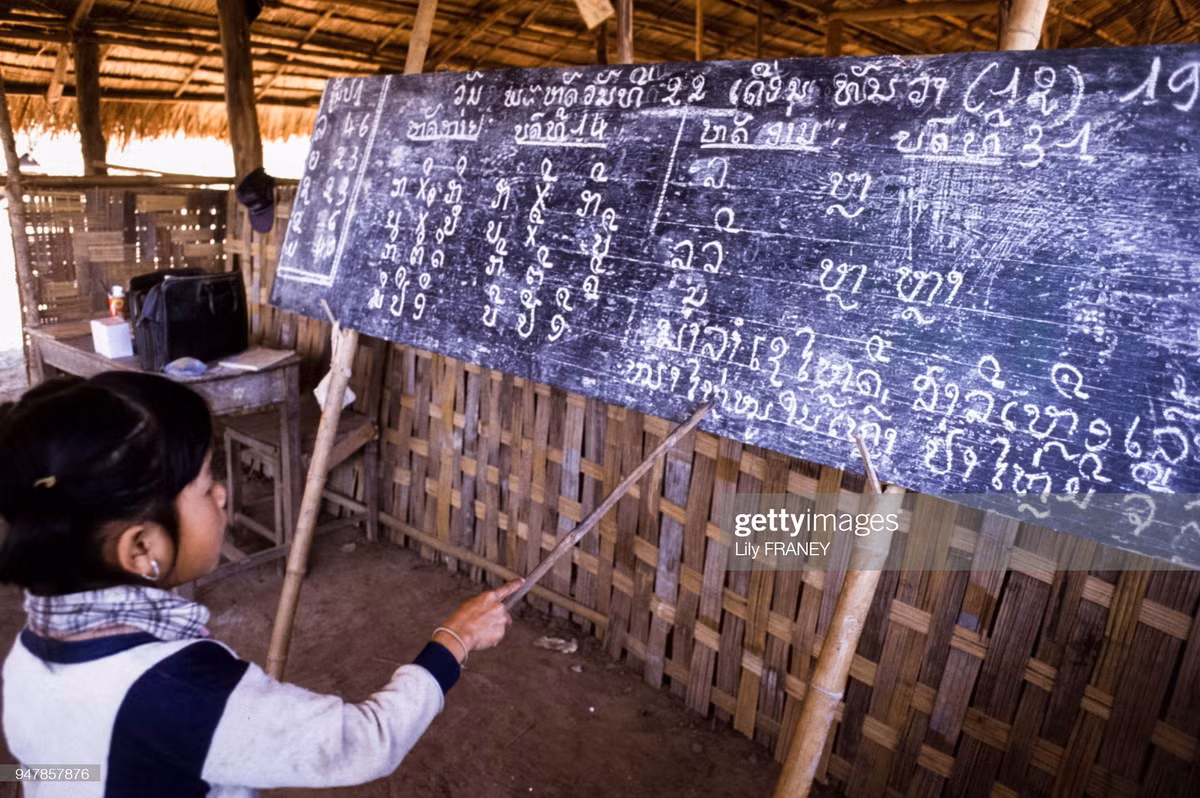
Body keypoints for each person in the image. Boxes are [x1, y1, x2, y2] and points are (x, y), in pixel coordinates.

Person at [0, 372, 521, 796]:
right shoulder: (182, 690)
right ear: (141, 548)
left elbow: (32, 774)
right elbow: (366, 742)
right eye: (206, 486)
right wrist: (456, 637)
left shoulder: (26, 657)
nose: (224, 496)